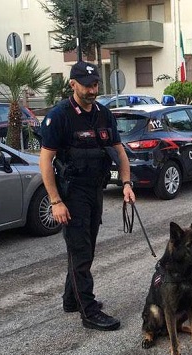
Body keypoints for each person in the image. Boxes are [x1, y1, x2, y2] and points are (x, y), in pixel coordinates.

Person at [39, 61, 136, 331]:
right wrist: (55, 201)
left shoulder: (104, 114)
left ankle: (72, 299)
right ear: (73, 84)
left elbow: (119, 151)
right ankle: (89, 310)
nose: (93, 90)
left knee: (86, 248)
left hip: (96, 190)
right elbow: (45, 161)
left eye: (95, 85)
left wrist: (126, 183)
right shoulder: (59, 116)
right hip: (72, 194)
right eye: (87, 85)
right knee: (80, 251)